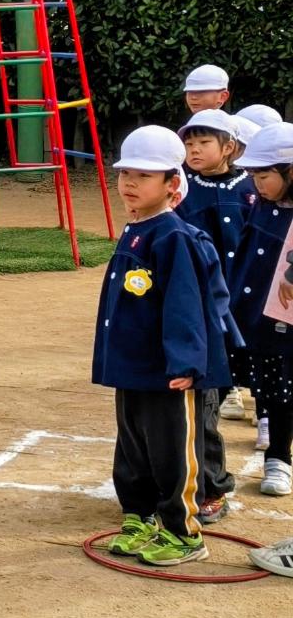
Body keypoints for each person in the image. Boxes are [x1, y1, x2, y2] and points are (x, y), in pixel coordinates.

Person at [94, 126, 235, 565]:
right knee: (133, 443)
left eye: (144, 175)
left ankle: (182, 531)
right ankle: (139, 514)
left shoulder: (174, 236)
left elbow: (187, 306)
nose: (130, 183)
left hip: (168, 370)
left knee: (173, 448)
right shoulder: (136, 230)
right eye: (125, 174)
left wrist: (187, 361)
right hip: (133, 365)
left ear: (172, 184)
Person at [176, 109, 253, 521]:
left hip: (240, 313)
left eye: (203, 142)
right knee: (199, 404)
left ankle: (214, 485)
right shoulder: (182, 187)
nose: (193, 150)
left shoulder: (250, 188)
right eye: (189, 143)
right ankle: (199, 482)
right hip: (199, 314)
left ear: (230, 147)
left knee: (210, 402)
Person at [232, 121, 293, 499]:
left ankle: (279, 458)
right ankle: (269, 434)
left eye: (265, 174)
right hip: (255, 312)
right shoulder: (260, 205)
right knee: (267, 382)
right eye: (253, 174)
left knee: (285, 387)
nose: (257, 182)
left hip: (286, 319)